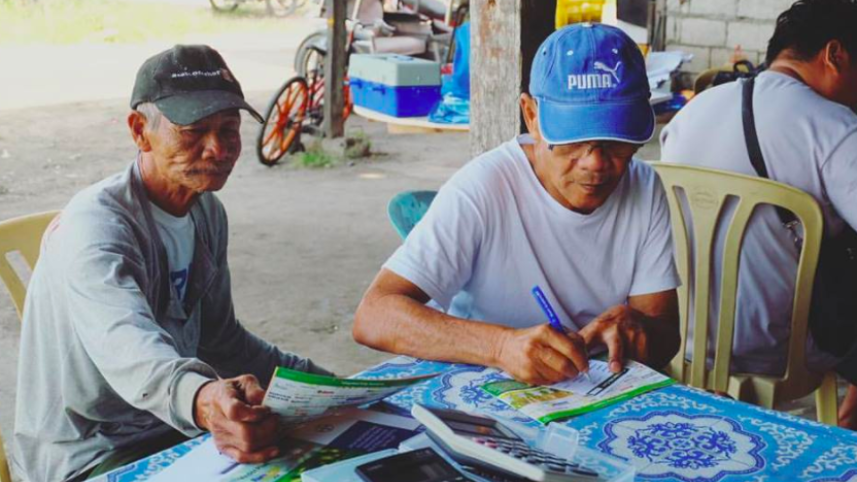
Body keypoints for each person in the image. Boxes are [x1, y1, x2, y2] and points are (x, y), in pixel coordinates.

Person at [12, 45, 332, 482]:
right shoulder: (95, 226)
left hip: (167, 429)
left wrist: (326, 385)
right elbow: (130, 349)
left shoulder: (206, 212)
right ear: (140, 131)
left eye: (229, 129)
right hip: (88, 453)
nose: (218, 148)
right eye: (193, 131)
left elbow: (223, 340)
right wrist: (204, 399)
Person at [353, 24, 681, 386]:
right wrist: (500, 347)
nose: (595, 162)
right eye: (574, 140)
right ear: (531, 115)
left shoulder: (643, 186)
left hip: (591, 394)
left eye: (615, 140)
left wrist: (639, 331)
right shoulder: (485, 187)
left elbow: (666, 338)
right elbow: (374, 315)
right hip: (486, 394)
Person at [660, 0, 857, 428]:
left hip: (678, 336)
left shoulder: (693, 111)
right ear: (835, 55)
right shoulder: (833, 126)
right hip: (777, 351)